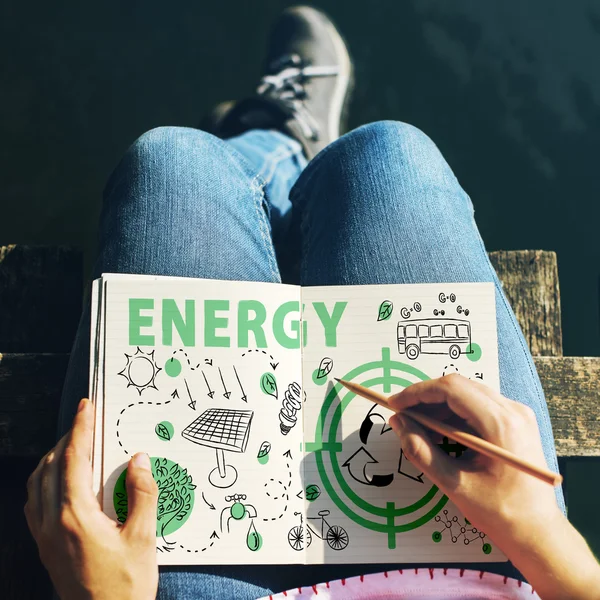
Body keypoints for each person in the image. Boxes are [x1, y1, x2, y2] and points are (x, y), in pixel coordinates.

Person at [24, 6, 600, 600]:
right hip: (480, 573)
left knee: (173, 163)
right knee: (387, 155)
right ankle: (283, 152)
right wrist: (550, 540)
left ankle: (266, 147)